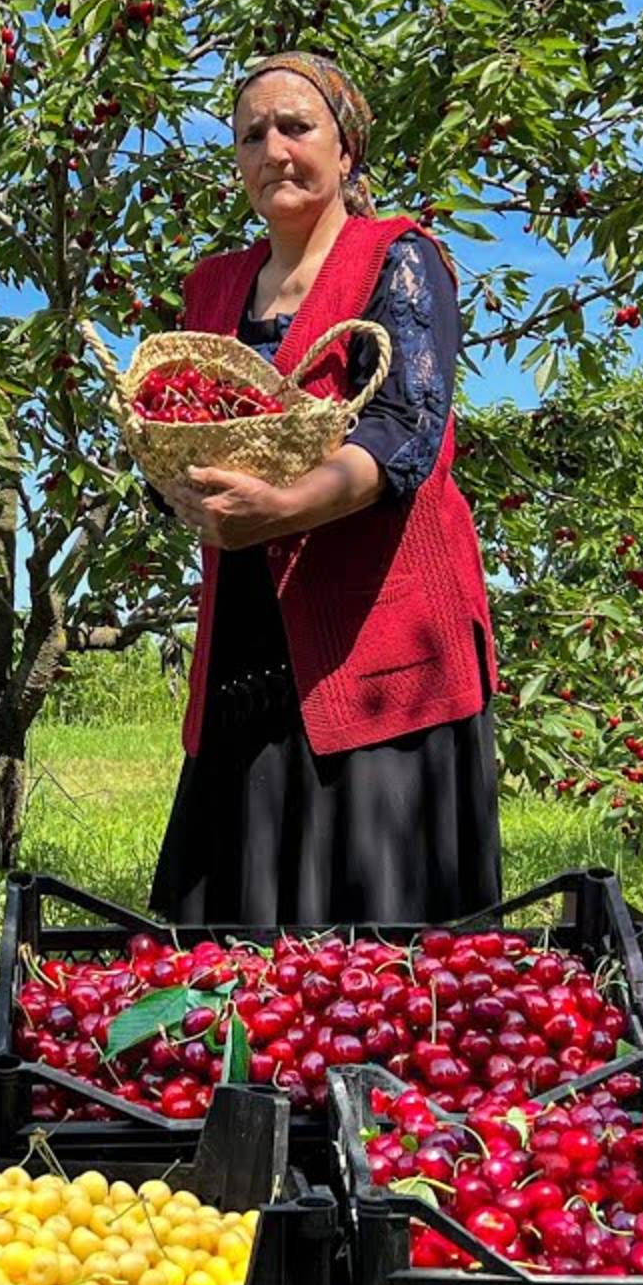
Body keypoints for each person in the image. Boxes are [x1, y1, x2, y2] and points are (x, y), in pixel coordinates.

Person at [150, 51, 502, 927]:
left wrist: (282, 509)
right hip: (249, 632)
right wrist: (176, 488)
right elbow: (176, 419)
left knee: (378, 921)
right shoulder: (213, 287)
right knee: (235, 926)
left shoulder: (399, 260)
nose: (273, 149)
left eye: (295, 127)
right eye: (251, 135)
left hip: (381, 631)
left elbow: (407, 430)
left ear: (345, 150)